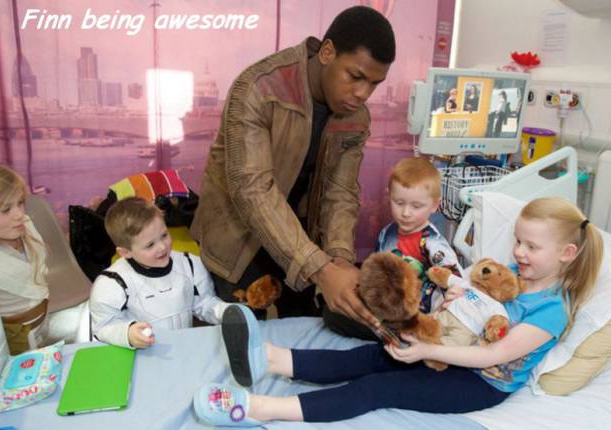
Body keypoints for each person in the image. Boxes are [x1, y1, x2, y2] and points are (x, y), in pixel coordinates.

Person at [193, 197, 603, 425]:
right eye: (518, 241)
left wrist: (426, 351)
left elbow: (493, 354)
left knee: (378, 388)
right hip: (446, 349)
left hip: (478, 383)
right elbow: (472, 296)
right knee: (373, 356)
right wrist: (451, 304)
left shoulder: (552, 310)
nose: (518, 252)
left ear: (567, 254)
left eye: (531, 246)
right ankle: (267, 358)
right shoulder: (511, 273)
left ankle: (256, 409)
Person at [189, 6, 395, 325]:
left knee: (302, 336)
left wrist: (339, 258)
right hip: (237, 241)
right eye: (355, 77)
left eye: (374, 84)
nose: (362, 93)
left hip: (300, 238)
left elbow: (340, 192)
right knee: (233, 340)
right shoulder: (258, 88)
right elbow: (253, 190)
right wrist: (320, 268)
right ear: (327, 52)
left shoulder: (356, 116)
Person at [324, 157, 463, 340]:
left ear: (435, 205)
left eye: (416, 206)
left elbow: (455, 279)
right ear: (389, 195)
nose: (406, 213)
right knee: (333, 312)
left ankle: (401, 337)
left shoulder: (434, 245)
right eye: (399, 203)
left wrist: (453, 293)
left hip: (417, 316)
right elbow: (376, 271)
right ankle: (387, 333)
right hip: (386, 308)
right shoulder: (387, 233)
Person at [90, 197, 229, 349]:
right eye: (150, 245)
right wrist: (127, 334)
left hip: (184, 348)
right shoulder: (112, 284)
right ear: (125, 252)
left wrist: (225, 312)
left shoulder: (190, 264)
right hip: (141, 354)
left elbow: (204, 302)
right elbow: (103, 327)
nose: (162, 247)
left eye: (164, 235)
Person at [0, 158, 51, 355]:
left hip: (41, 320)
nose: (19, 214)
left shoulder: (24, 226)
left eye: (20, 203)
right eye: (5, 210)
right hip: (13, 339)